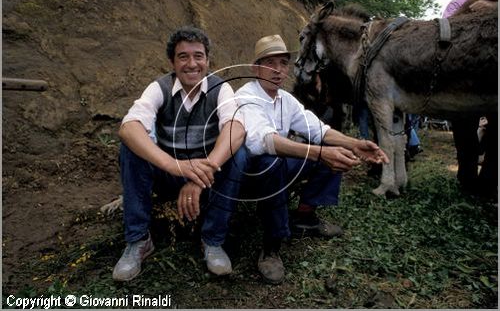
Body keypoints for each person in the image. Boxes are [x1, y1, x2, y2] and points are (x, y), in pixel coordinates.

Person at [234, 34, 389, 284]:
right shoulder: (246, 96)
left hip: (281, 163)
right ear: (255, 67)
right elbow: (266, 142)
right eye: (269, 63)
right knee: (274, 161)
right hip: (252, 174)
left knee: (332, 152)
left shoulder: (285, 99)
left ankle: (304, 217)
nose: (277, 70)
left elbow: (318, 129)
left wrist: (355, 144)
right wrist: (319, 152)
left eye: (283, 63)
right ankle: (271, 245)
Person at [113, 26, 247, 281]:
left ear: (208, 61)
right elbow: (129, 128)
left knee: (239, 154)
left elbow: (236, 128)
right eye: (183, 56)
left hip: (208, 176)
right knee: (130, 148)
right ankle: (138, 240)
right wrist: (176, 167)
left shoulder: (221, 89)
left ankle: (212, 240)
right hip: (168, 174)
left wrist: (200, 175)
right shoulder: (159, 88)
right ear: (172, 62)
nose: (191, 64)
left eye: (198, 56)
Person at [442, 0, 498, 199]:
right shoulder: (459, 2)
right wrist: (475, 0)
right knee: (466, 141)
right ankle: (466, 184)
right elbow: (443, 32)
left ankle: (487, 188)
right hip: (464, 85)